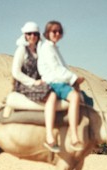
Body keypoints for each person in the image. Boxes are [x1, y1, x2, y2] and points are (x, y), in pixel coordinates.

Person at [11, 22, 60, 153]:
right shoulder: (21, 50)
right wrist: (33, 82)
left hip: (39, 83)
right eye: (29, 34)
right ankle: (49, 136)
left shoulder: (40, 50)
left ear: (38, 35)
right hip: (24, 85)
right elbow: (15, 72)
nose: (32, 36)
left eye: (35, 34)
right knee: (52, 95)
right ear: (25, 35)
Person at [38, 20, 86, 152]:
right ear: (48, 33)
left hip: (59, 82)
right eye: (54, 31)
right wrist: (74, 79)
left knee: (82, 99)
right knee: (74, 97)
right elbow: (56, 69)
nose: (57, 34)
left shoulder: (54, 48)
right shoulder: (47, 48)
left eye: (59, 31)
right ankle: (68, 136)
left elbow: (62, 69)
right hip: (52, 82)